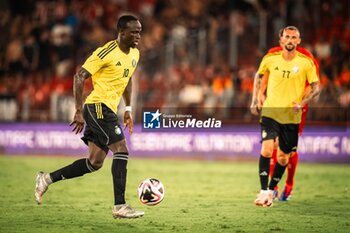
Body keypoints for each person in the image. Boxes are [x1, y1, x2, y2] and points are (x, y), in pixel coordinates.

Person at [35, 15, 144, 218]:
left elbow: (127, 80)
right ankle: (120, 206)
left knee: (94, 162)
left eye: (140, 31)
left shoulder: (135, 54)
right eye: (134, 31)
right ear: (121, 32)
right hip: (97, 106)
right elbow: (79, 76)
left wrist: (128, 109)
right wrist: (78, 110)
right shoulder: (105, 52)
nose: (138, 35)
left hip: (109, 109)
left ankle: (46, 179)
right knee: (121, 150)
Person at [250, 26, 320, 207]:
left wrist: (301, 103)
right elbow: (263, 74)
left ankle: (288, 184)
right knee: (268, 148)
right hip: (272, 110)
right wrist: (259, 95)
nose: (290, 40)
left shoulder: (307, 60)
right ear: (281, 39)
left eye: (293, 37)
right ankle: (267, 190)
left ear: (299, 40)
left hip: (295, 110)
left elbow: (312, 85)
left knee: (285, 155)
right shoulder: (272, 55)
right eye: (287, 37)